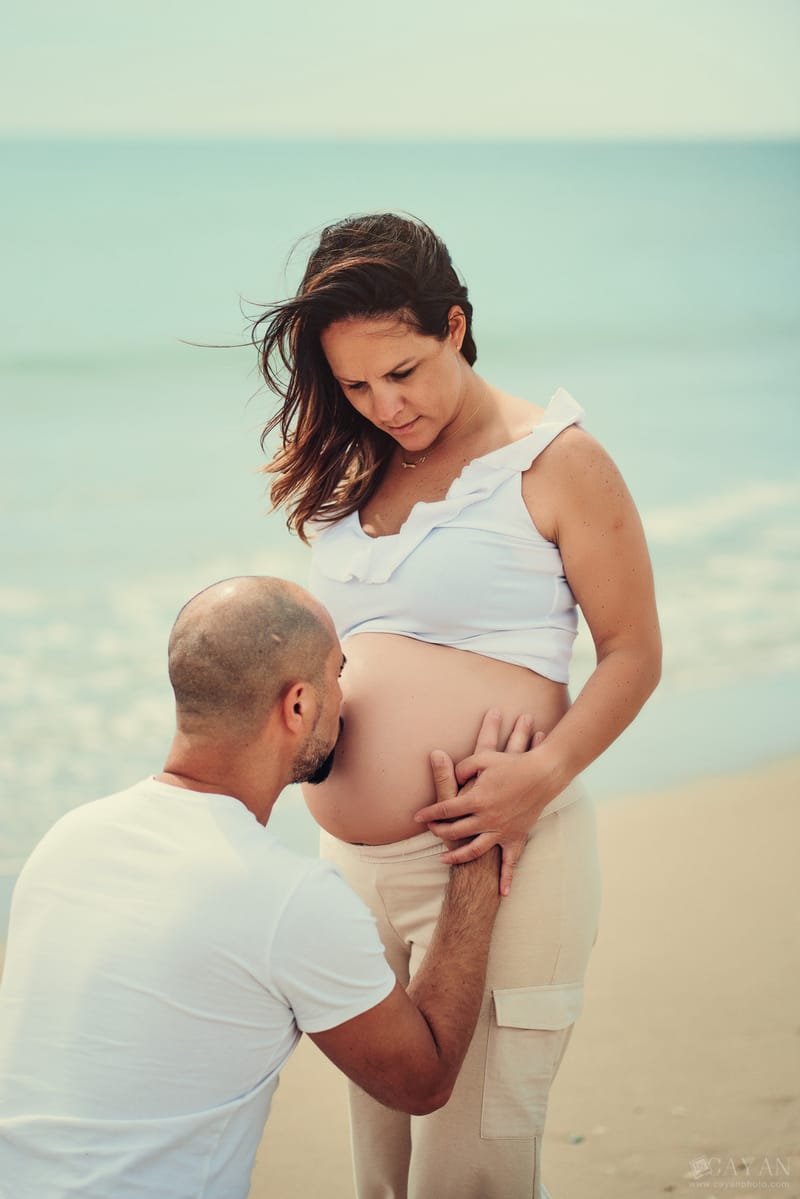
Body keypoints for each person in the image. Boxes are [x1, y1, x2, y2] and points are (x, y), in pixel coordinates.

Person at [252, 213, 663, 1199]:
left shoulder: (556, 460)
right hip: (351, 873)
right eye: (353, 384)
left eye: (401, 370)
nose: (384, 403)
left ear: (454, 324)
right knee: (382, 1171)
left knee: (468, 1169)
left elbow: (632, 653)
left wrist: (541, 775)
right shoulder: (354, 465)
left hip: (500, 856)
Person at [0, 575, 524, 1199]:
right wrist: (472, 866)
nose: (344, 696)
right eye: (338, 673)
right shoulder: (285, 896)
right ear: (298, 705)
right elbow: (423, 1082)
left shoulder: (68, 839)